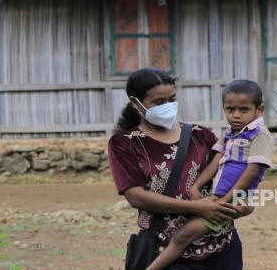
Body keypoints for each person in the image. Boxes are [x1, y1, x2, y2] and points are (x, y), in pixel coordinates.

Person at [108, 68, 253, 269]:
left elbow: (232, 176)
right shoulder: (124, 143)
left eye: (172, 99)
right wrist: (197, 207)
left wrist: (242, 206)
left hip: (222, 247)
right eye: (159, 102)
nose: (168, 106)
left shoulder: (201, 135)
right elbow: (136, 197)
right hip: (166, 254)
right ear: (135, 103)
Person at [147, 79, 275, 270]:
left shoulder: (260, 135)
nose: (236, 115)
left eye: (244, 109)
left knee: (183, 236)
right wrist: (196, 186)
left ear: (259, 110)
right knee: (185, 234)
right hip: (220, 196)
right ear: (223, 108)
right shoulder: (231, 133)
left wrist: (227, 200)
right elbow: (216, 162)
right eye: (230, 110)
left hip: (235, 197)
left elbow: (252, 171)